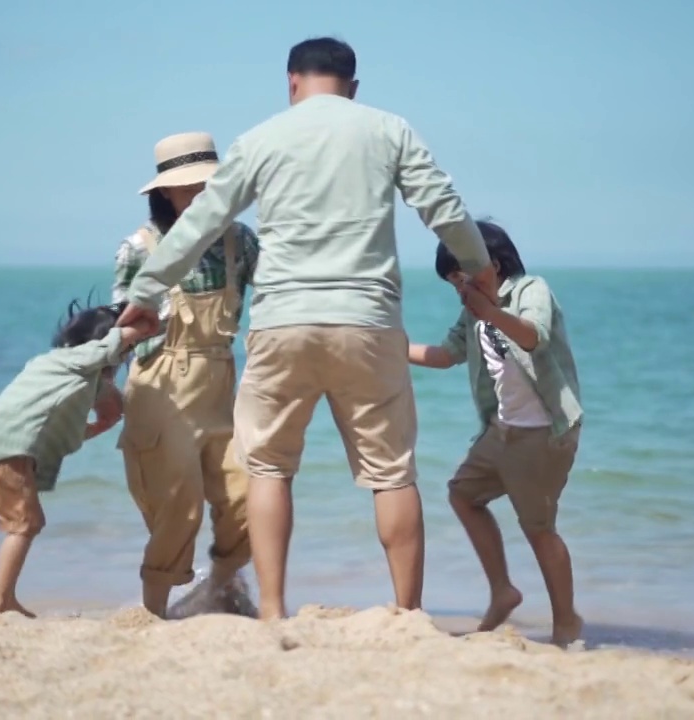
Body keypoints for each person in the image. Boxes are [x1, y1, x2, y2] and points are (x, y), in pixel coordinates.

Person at [117, 37, 496, 620]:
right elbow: (442, 208)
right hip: (366, 321)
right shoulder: (389, 129)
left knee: (268, 467)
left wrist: (145, 293)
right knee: (391, 473)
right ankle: (407, 613)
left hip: (280, 325)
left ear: (291, 82)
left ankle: (270, 607)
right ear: (354, 87)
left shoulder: (261, 138)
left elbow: (199, 223)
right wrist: (481, 269)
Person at [407, 220, 585, 646]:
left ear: (495, 265)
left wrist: (490, 312)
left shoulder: (530, 291)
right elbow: (448, 354)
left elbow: (533, 336)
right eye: (452, 283)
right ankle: (503, 590)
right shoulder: (473, 310)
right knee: (463, 494)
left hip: (543, 431)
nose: (458, 290)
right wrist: (389, 347)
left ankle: (567, 623)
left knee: (539, 527)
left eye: (460, 279)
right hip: (501, 430)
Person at [112, 132, 261, 618]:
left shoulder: (242, 241)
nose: (198, 196)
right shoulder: (139, 247)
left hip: (223, 379)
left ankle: (215, 589)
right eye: (187, 187)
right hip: (161, 385)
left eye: (208, 186)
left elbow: (279, 293)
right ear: (165, 193)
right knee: (177, 507)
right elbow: (117, 326)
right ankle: (153, 612)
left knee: (249, 497)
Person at [0, 300, 140, 617]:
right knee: (24, 525)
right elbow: (117, 343)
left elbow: (106, 406)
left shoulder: (57, 366)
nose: (124, 358)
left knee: (24, 522)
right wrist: (146, 324)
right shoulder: (79, 360)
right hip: (10, 448)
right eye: (124, 355)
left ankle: (2, 599)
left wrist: (103, 421)